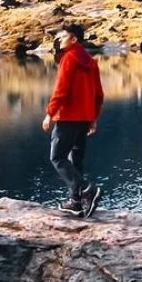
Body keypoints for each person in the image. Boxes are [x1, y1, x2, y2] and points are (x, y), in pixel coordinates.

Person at [43, 23, 104, 217]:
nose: (59, 40)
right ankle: (76, 203)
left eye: (63, 37)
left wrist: (49, 114)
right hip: (84, 118)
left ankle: (86, 188)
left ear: (74, 40)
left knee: (58, 157)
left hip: (68, 117)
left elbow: (61, 90)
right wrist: (93, 118)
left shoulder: (69, 59)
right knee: (75, 159)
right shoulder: (90, 61)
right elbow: (98, 94)